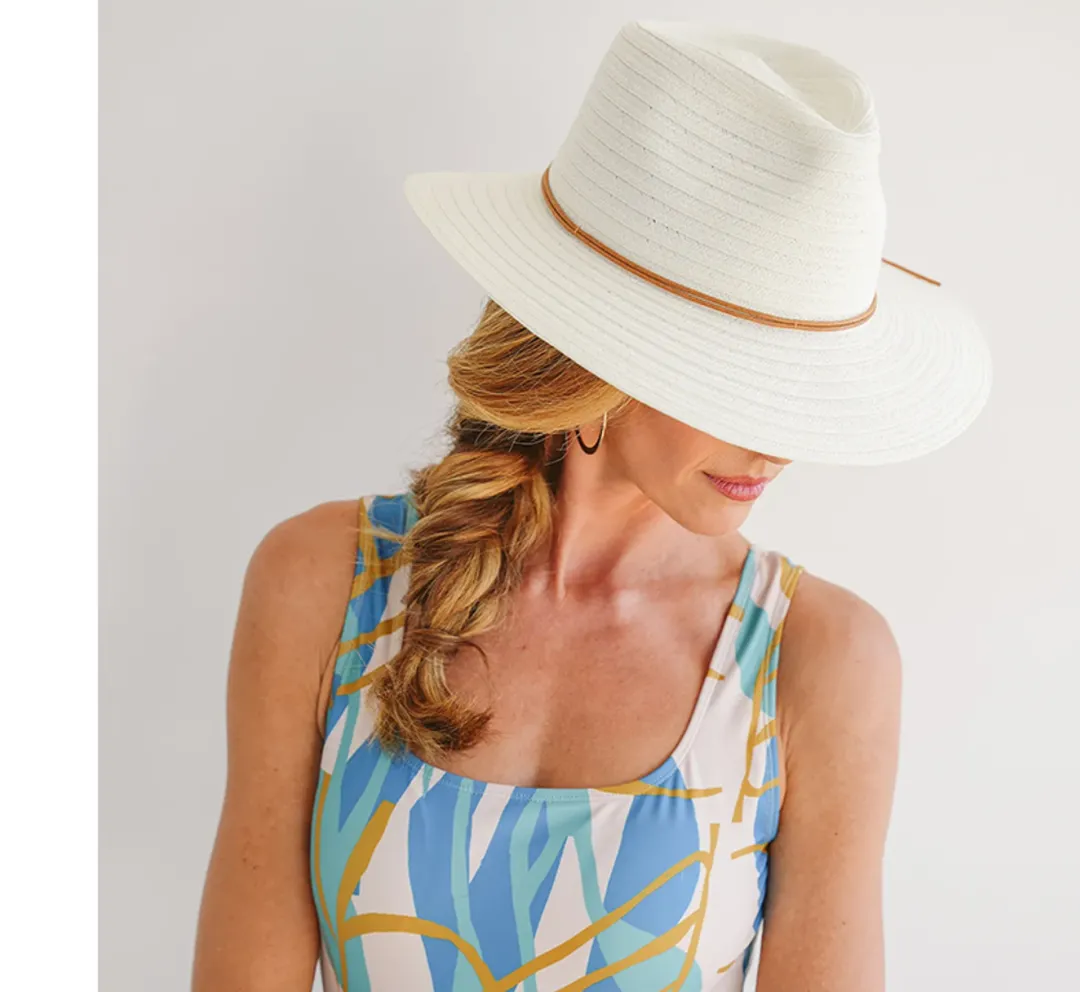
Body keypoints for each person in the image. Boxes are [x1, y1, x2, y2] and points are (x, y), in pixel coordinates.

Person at [192, 18, 991, 992]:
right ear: (599, 351)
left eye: (799, 388)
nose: (777, 442)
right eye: (744, 379)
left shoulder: (819, 660)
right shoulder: (324, 582)